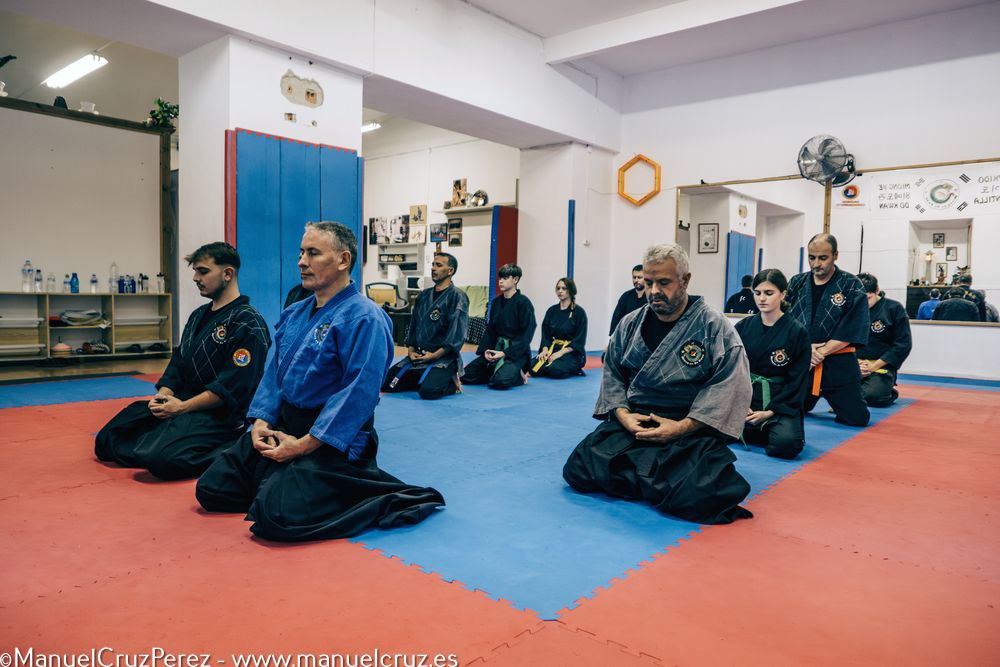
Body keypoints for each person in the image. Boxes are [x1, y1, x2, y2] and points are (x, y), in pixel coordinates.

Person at [195, 222, 444, 541]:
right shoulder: (295, 312)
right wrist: (260, 423)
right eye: (301, 252)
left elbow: (358, 394)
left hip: (331, 440)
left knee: (276, 517)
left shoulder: (365, 318)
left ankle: (369, 492)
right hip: (284, 425)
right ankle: (285, 481)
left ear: (343, 260)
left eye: (313, 253)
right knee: (212, 489)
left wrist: (304, 446)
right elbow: (273, 375)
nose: (301, 261)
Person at [563, 243, 753, 525]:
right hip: (637, 421)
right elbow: (613, 372)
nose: (653, 291)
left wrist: (682, 427)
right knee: (578, 469)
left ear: (685, 280)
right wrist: (623, 415)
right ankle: (653, 480)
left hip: (688, 426)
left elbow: (728, 384)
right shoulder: (630, 323)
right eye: (648, 282)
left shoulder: (715, 326)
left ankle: (644, 477)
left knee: (701, 496)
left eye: (663, 282)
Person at [95, 243, 271, 480]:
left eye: (203, 271)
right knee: (107, 440)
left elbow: (232, 387)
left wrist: (182, 407)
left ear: (228, 274)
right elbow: (178, 362)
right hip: (179, 406)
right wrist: (164, 396)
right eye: (195, 272)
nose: (196, 278)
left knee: (160, 461)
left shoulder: (248, 323)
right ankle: (166, 438)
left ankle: (230, 447)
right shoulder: (198, 315)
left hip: (218, 417)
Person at [785, 234, 870, 427]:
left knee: (857, 418)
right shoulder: (796, 283)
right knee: (791, 409)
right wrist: (806, 350)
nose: (816, 264)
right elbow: (786, 322)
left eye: (823, 258)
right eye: (811, 257)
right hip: (803, 360)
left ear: (835, 256)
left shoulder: (851, 284)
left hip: (837, 360)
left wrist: (820, 352)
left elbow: (853, 327)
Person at [733, 269, 811, 459]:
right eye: (757, 293)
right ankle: (756, 430)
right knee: (707, 433)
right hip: (747, 398)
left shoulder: (797, 332)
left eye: (769, 293)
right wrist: (741, 404)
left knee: (786, 446)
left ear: (782, 294)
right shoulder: (742, 327)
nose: (762, 299)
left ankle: (764, 428)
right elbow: (732, 370)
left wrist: (770, 412)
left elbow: (797, 380)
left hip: (780, 401)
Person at [382, 253, 469, 399]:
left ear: (450, 271)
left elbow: (456, 335)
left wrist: (434, 355)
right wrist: (411, 351)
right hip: (420, 356)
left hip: (443, 358)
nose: (433, 268)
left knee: (428, 392)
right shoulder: (424, 295)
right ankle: (423, 377)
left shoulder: (458, 297)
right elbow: (414, 326)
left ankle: (451, 383)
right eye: (433, 265)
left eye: (439, 265)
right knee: (386, 384)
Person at [463, 264, 536, 390]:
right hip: (495, 349)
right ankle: (495, 371)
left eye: (506, 277)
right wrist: (486, 350)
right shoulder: (496, 302)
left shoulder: (523, 303)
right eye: (500, 278)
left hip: (515, 353)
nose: (501, 281)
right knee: (465, 376)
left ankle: (519, 374)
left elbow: (526, 334)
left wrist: (505, 353)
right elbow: (491, 329)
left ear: (515, 280)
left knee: (499, 382)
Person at [855, 273, 912, 408]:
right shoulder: (852, 309)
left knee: (873, 395)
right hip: (853, 362)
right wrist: (854, 365)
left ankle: (887, 391)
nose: (863, 303)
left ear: (877, 290)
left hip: (880, 365)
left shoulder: (894, 309)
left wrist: (873, 366)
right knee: (822, 386)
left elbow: (903, 344)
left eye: (868, 298)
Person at [530, 277, 588, 378]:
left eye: (564, 288)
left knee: (555, 370)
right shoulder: (551, 311)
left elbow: (579, 340)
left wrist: (559, 354)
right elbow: (546, 334)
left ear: (570, 291)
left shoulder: (579, 312)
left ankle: (575, 368)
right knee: (531, 367)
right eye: (558, 288)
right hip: (553, 348)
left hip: (571, 352)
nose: (560, 291)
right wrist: (544, 350)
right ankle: (551, 367)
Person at [609, 264, 646, 335]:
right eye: (634, 277)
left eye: (639, 277)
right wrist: (612, 338)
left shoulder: (651, 296)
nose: (636, 280)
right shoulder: (626, 296)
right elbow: (616, 318)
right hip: (627, 336)